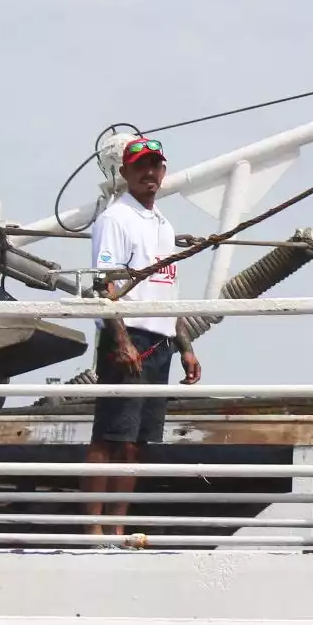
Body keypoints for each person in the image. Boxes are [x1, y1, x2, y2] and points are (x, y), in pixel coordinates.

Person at [85, 136, 201, 538]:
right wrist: (121, 342)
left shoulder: (163, 225)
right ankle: (92, 528)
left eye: (155, 166)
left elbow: (169, 292)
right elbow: (106, 285)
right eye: (140, 167)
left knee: (138, 442)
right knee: (110, 435)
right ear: (125, 173)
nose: (149, 173)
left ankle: (118, 527)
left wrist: (185, 346)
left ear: (163, 172)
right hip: (129, 334)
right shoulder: (116, 219)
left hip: (160, 339)